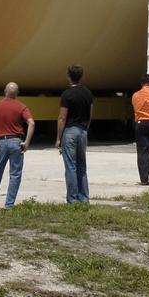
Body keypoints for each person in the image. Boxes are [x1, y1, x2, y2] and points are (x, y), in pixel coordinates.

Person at [0, 82, 34, 211]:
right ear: (17, 93)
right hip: (16, 142)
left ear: (5, 91)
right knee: (15, 174)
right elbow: (31, 123)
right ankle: (9, 205)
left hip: (1, 143)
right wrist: (26, 142)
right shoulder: (21, 107)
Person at [56, 64, 93, 204]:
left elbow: (62, 117)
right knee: (82, 165)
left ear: (68, 76)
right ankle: (84, 198)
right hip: (83, 131)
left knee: (71, 166)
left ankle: (72, 198)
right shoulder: (88, 93)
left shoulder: (66, 94)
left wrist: (58, 138)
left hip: (70, 131)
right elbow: (90, 114)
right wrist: (85, 129)